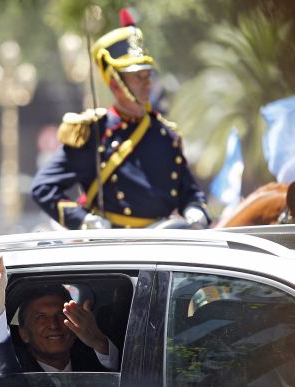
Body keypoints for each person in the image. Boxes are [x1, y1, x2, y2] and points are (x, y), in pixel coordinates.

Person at [31, 8, 210, 230]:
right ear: (116, 84)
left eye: (148, 75)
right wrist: (84, 220)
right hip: (115, 251)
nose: (147, 83)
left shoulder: (166, 134)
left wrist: (194, 209)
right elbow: (43, 187)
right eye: (138, 77)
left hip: (166, 245)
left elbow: (189, 191)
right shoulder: (94, 134)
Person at [0, 246, 118, 379]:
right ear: (24, 333)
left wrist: (98, 341)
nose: (53, 325)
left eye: (61, 315)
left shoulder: (90, 359)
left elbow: (127, 375)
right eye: (41, 317)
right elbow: (2, 367)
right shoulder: (19, 374)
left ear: (75, 328)